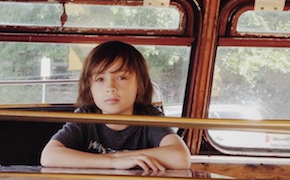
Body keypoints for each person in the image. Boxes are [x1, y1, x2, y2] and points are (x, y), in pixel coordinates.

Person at [40, 41, 191, 171]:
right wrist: (114, 161)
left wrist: (123, 157)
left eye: (121, 77)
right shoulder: (85, 117)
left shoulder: (148, 117)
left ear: (139, 85)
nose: (110, 87)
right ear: (89, 88)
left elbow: (180, 157)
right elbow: (49, 156)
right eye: (100, 79)